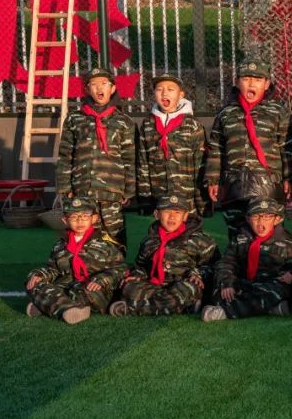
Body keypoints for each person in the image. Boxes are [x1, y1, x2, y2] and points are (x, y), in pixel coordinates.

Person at [205, 58, 292, 240]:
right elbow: (216, 148)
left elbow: (287, 147)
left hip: (268, 185)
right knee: (237, 236)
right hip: (235, 185)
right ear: (237, 82)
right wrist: (213, 179)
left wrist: (289, 178)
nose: (251, 84)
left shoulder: (278, 112)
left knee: (270, 237)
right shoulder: (226, 113)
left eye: (258, 79)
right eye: (246, 79)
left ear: (267, 84)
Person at [55, 67, 135, 248]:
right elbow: (66, 155)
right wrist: (65, 186)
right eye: (94, 84)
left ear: (112, 88)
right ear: (87, 89)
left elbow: (129, 158)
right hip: (82, 189)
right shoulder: (75, 119)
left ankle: (117, 263)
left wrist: (129, 190)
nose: (99, 88)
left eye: (104, 83)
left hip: (112, 189)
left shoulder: (124, 121)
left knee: (114, 233)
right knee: (85, 233)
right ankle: (86, 261)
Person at [111, 195, 220, 317]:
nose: (172, 216)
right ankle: (181, 307)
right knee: (129, 287)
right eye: (167, 212)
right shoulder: (149, 241)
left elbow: (214, 265)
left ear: (185, 216)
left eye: (177, 212)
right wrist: (137, 275)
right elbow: (141, 266)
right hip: (156, 286)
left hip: (182, 284)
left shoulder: (201, 240)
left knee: (189, 289)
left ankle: (132, 309)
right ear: (157, 214)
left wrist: (197, 274)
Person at [25, 196, 126, 325]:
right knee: (34, 283)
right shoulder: (61, 245)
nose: (79, 221)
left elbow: (121, 269)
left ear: (94, 218)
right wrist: (39, 275)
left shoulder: (106, 244)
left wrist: (102, 279)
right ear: (65, 220)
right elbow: (53, 269)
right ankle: (67, 309)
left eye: (85, 216)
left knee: (86, 294)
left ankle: (49, 305)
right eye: (73, 217)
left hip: (91, 288)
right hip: (66, 287)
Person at [202, 197, 292, 321]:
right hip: (246, 284)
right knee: (219, 291)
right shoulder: (240, 239)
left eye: (267, 217)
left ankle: (225, 312)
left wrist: (291, 275)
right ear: (248, 219)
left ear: (277, 219)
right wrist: (227, 282)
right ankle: (271, 308)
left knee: (276, 291)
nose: (261, 222)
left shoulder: (287, 243)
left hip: (270, 285)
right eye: (256, 217)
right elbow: (226, 262)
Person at [135, 73, 207, 217]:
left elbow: (200, 162)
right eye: (159, 89)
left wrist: (201, 200)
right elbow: (143, 161)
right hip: (159, 196)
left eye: (170, 89)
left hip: (186, 196)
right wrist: (145, 197)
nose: (164, 93)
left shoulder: (192, 124)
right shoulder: (148, 124)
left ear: (181, 95)